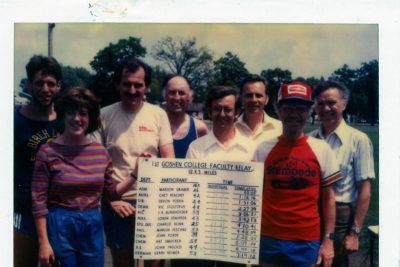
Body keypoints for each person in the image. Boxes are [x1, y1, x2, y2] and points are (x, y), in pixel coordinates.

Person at [31, 87, 140, 267]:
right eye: (71, 113)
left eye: (83, 113)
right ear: (63, 116)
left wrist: (135, 174)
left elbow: (111, 191)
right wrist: (44, 242)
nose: (77, 119)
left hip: (92, 224)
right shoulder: (47, 151)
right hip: (60, 225)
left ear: (90, 119)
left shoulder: (100, 153)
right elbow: (38, 201)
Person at [92, 57, 175, 267]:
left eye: (138, 85)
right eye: (126, 84)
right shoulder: (102, 116)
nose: (132, 90)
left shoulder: (158, 115)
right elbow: (94, 169)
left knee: (153, 264)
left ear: (146, 86)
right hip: (118, 203)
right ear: (118, 85)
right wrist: (111, 201)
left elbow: (170, 161)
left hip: (154, 202)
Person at [253, 81, 342, 267]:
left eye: (301, 108)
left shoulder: (321, 149)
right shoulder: (263, 149)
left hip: (305, 239)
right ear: (278, 109)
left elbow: (329, 199)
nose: (294, 114)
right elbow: (254, 195)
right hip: (267, 237)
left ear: (310, 111)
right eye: (288, 107)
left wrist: (328, 240)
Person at [186, 86, 255, 267]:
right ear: (209, 111)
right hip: (203, 231)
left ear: (237, 112)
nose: (222, 114)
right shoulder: (196, 147)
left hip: (236, 233)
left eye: (228, 109)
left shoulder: (252, 148)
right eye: (217, 108)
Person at [309, 80, 375, 267]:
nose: (325, 108)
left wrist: (354, 233)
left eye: (331, 103)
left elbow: (365, 190)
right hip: (311, 211)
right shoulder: (309, 139)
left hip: (340, 216)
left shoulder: (358, 140)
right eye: (320, 104)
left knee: (333, 262)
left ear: (344, 104)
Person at [14, 55, 62, 267]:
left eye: (50, 83)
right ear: (29, 84)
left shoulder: (66, 121)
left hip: (58, 211)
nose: (45, 89)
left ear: (59, 86)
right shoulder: (14, 121)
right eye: (39, 83)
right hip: (23, 211)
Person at [162, 74, 209, 159]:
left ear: (190, 98)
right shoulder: (154, 125)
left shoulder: (199, 128)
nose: (177, 97)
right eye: (172, 92)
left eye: (181, 93)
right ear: (165, 96)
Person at [236, 74, 282, 145]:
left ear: (266, 99)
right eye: (249, 95)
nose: (254, 100)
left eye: (258, 95)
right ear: (241, 98)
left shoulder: (280, 129)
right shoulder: (230, 129)